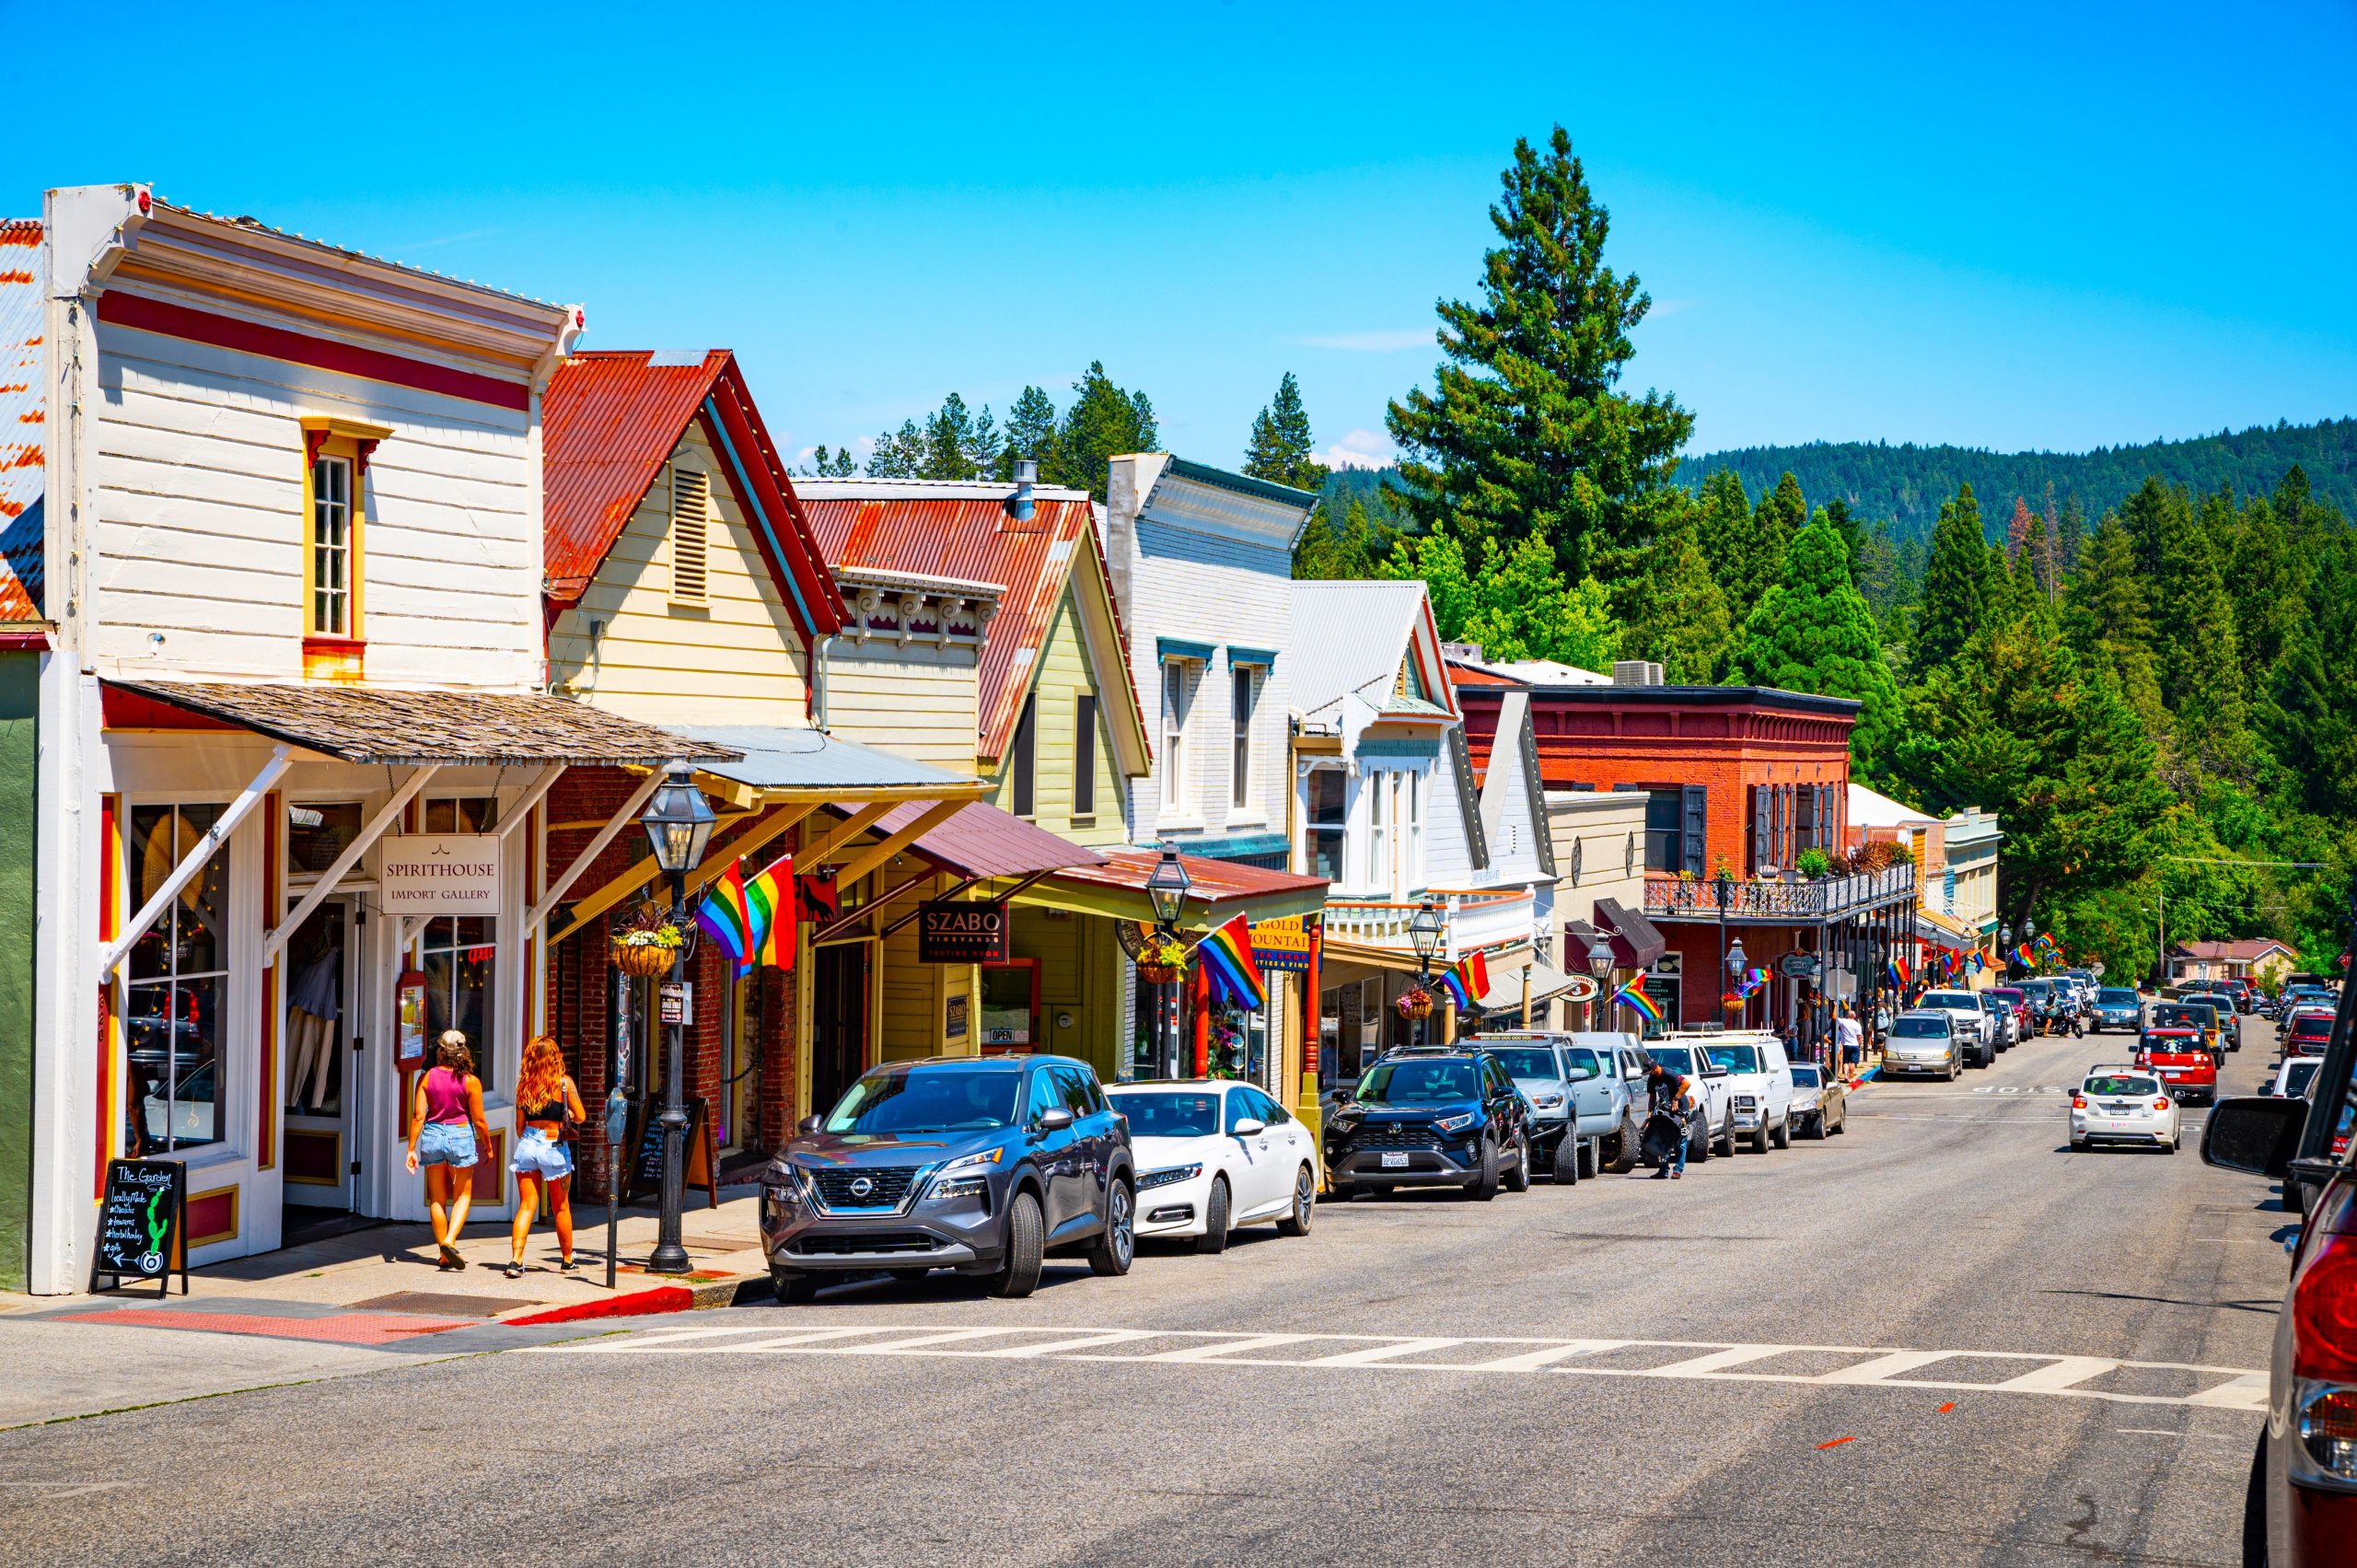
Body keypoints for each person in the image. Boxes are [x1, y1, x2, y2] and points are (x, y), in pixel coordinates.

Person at [405, 1031, 490, 1271]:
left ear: (440, 1051)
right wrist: (488, 1146)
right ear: (463, 1052)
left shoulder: (426, 1078)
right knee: (463, 1194)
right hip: (460, 1135)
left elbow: (418, 1116)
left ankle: (443, 1253)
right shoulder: (471, 1081)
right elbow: (480, 1120)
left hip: (432, 1134)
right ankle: (450, 1241)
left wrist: (411, 1148)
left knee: (437, 1198)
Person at [506, 1035, 586, 1278]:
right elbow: (581, 1116)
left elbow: (520, 1127)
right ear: (555, 1057)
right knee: (560, 1206)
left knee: (527, 1205)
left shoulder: (524, 1085)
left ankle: (516, 1260)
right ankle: (567, 1259)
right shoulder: (564, 1083)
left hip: (528, 1143)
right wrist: (567, 1113)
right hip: (553, 1144)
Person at [1643, 1061, 1697, 1180]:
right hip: (1666, 1111)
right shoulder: (1651, 1080)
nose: (1649, 1074)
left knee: (1680, 1140)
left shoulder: (1668, 1073)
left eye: (1650, 1071)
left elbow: (1686, 1084)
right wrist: (1649, 1116)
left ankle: (1678, 1170)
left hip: (1680, 1110)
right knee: (1665, 1140)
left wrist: (1675, 1098)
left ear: (1656, 1068)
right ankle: (1663, 1171)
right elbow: (1652, 1099)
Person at [1836, 1005, 1864, 1074]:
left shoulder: (1844, 1021)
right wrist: (1859, 1045)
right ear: (1854, 1016)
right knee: (1853, 1062)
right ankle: (1850, 1076)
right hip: (1855, 1045)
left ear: (1847, 1015)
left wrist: (1835, 1007)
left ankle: (1845, 1075)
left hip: (1846, 1044)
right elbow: (1859, 1037)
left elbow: (1835, 1018)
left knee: (1846, 1061)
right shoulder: (1857, 1024)